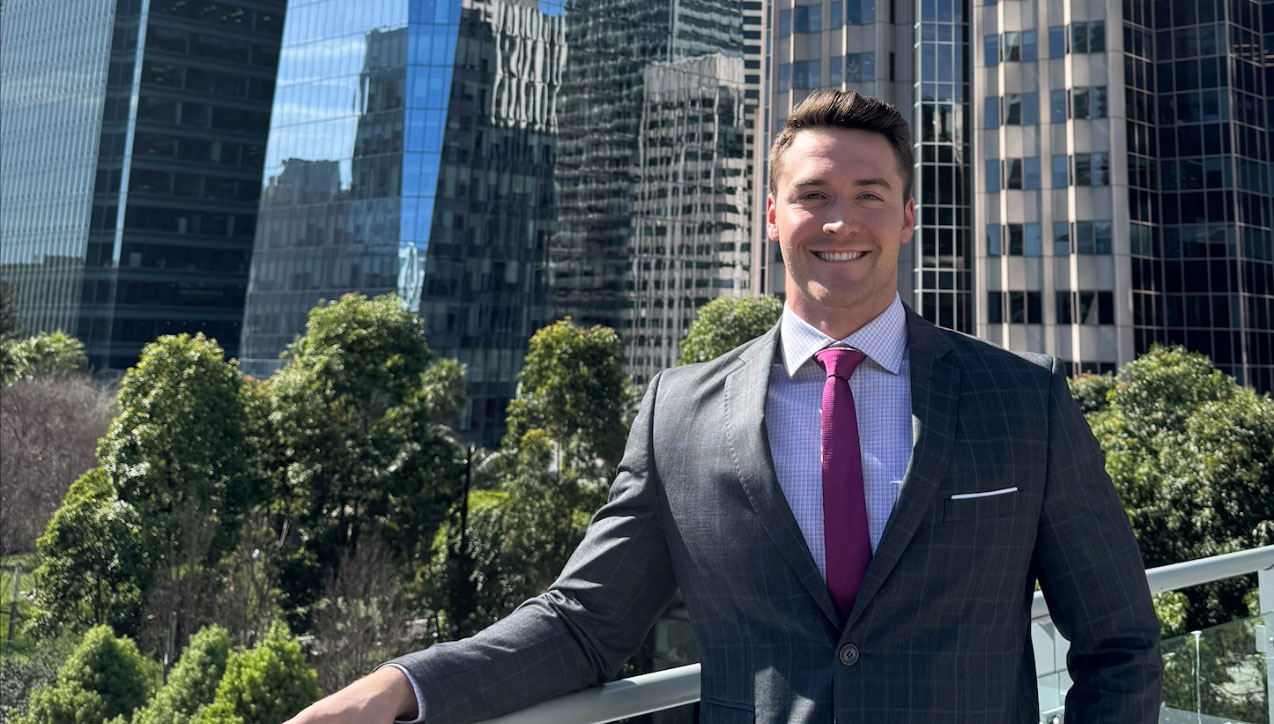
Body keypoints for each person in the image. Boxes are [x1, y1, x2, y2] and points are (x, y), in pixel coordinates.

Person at [285, 89, 1160, 724]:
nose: (839, 221)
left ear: (906, 218)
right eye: (812, 196)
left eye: (869, 196)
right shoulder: (679, 413)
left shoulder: (1025, 400)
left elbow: (1118, 645)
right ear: (771, 216)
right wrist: (400, 685)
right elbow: (584, 625)